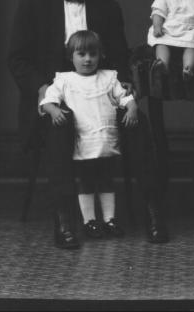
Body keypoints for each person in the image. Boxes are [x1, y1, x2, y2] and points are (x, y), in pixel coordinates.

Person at [8, 0, 168, 249]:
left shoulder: (107, 7)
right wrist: (43, 90)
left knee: (138, 125)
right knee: (60, 126)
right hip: (57, 99)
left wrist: (126, 88)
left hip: (100, 98)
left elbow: (120, 60)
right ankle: (64, 219)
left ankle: (153, 211)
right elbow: (17, 59)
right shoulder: (33, 4)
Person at [40, 30, 138, 240]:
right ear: (71, 57)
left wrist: (132, 108)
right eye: (81, 54)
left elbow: (124, 98)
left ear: (100, 55)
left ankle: (110, 220)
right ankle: (89, 221)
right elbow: (48, 101)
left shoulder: (109, 78)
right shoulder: (65, 80)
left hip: (105, 139)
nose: (87, 59)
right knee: (85, 181)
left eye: (93, 54)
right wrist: (54, 110)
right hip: (83, 140)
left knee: (106, 180)